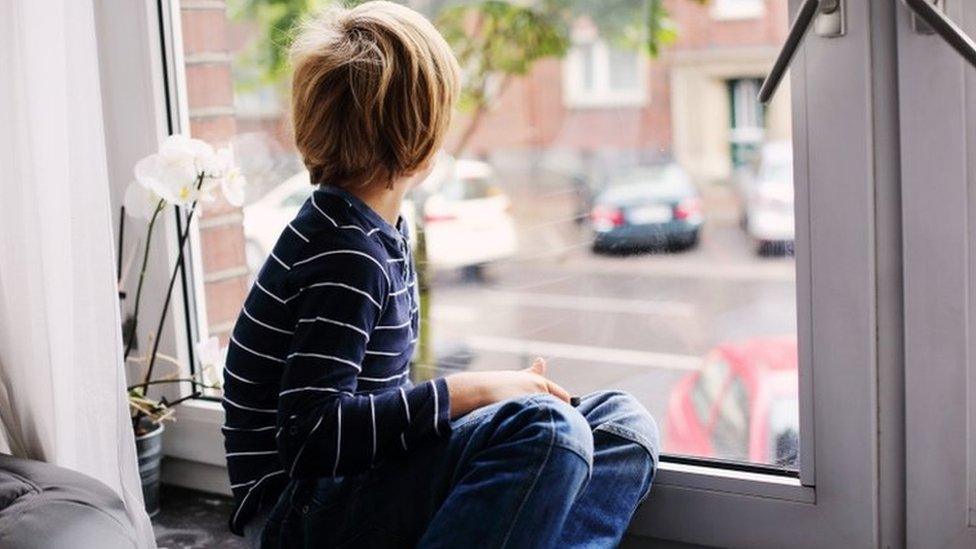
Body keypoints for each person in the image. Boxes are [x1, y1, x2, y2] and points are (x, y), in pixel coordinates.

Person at [221, 3, 660, 547]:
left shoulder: (372, 229)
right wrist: (474, 391)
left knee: (622, 423)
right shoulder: (345, 254)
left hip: (352, 488)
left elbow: (377, 413)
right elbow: (310, 436)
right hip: (296, 516)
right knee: (547, 429)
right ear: (422, 132)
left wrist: (492, 403)